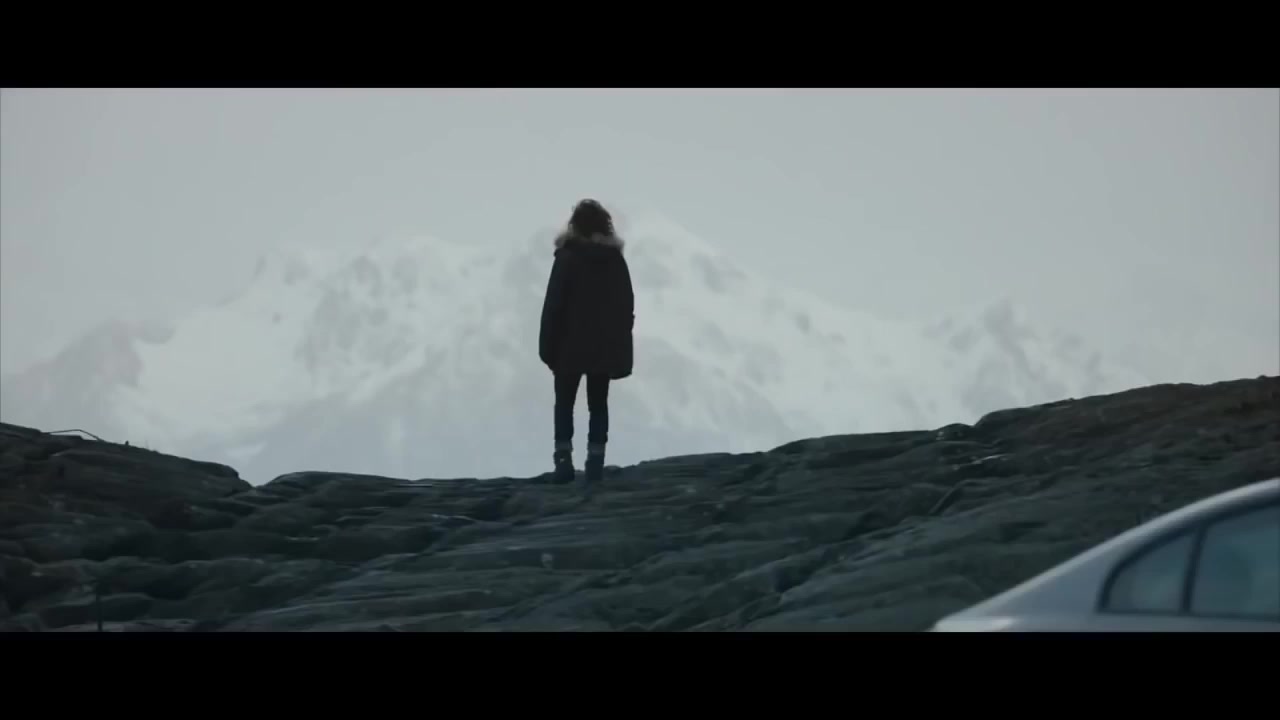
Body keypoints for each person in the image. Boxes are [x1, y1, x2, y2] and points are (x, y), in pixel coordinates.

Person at [539, 199, 635, 484]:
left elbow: (554, 305)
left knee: (564, 403)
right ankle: (595, 461)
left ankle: (563, 461)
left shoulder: (567, 258)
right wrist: (619, 344)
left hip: (568, 345)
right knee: (598, 403)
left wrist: (547, 347)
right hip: (602, 348)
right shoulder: (615, 261)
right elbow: (625, 306)